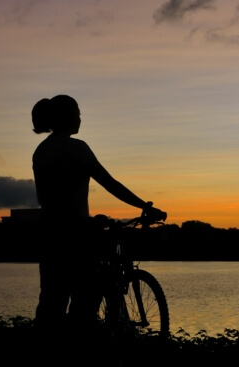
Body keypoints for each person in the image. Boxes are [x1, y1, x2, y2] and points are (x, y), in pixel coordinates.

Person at [31, 94, 164, 335]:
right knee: (85, 301)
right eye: (78, 113)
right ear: (69, 117)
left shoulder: (41, 151)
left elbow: (53, 197)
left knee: (51, 302)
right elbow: (109, 183)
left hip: (49, 232)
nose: (81, 118)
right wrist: (144, 206)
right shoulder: (76, 148)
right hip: (76, 233)